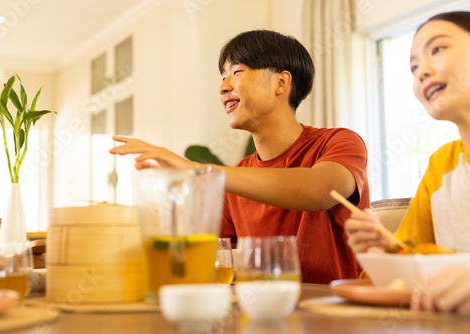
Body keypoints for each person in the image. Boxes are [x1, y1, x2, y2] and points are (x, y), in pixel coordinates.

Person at [110, 30, 370, 284]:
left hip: (333, 316)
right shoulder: (234, 179)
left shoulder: (338, 142)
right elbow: (213, 261)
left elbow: (319, 190)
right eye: (223, 77)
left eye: (236, 73)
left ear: (281, 83)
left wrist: (199, 171)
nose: (223, 88)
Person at [345, 11, 470, 315]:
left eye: (437, 49)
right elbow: (407, 274)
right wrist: (382, 256)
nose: (421, 72)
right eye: (413, 67)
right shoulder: (442, 166)